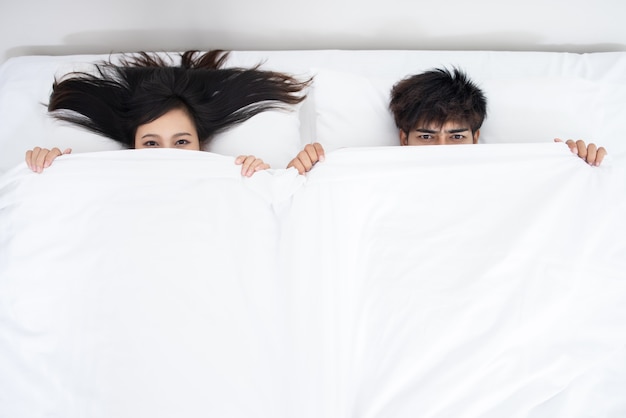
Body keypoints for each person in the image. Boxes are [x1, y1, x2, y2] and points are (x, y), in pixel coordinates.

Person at [26, 50, 311, 177]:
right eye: (151, 143)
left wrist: (268, 181)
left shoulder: (234, 175)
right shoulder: (103, 178)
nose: (168, 153)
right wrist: (51, 174)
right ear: (133, 147)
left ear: (202, 145)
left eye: (182, 142)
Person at [286, 67, 607, 174]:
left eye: (456, 137)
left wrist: (579, 171)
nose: (442, 149)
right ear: (403, 139)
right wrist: (301, 178)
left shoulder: (506, 173)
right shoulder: (366, 174)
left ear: (475, 138)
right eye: (426, 137)